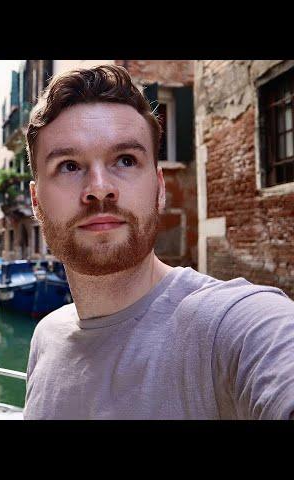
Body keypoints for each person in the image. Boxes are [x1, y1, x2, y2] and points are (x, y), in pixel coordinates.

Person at [23, 65, 294, 420]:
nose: (99, 188)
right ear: (36, 201)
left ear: (160, 187)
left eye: (125, 160)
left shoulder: (234, 326)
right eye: (69, 166)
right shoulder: (46, 337)